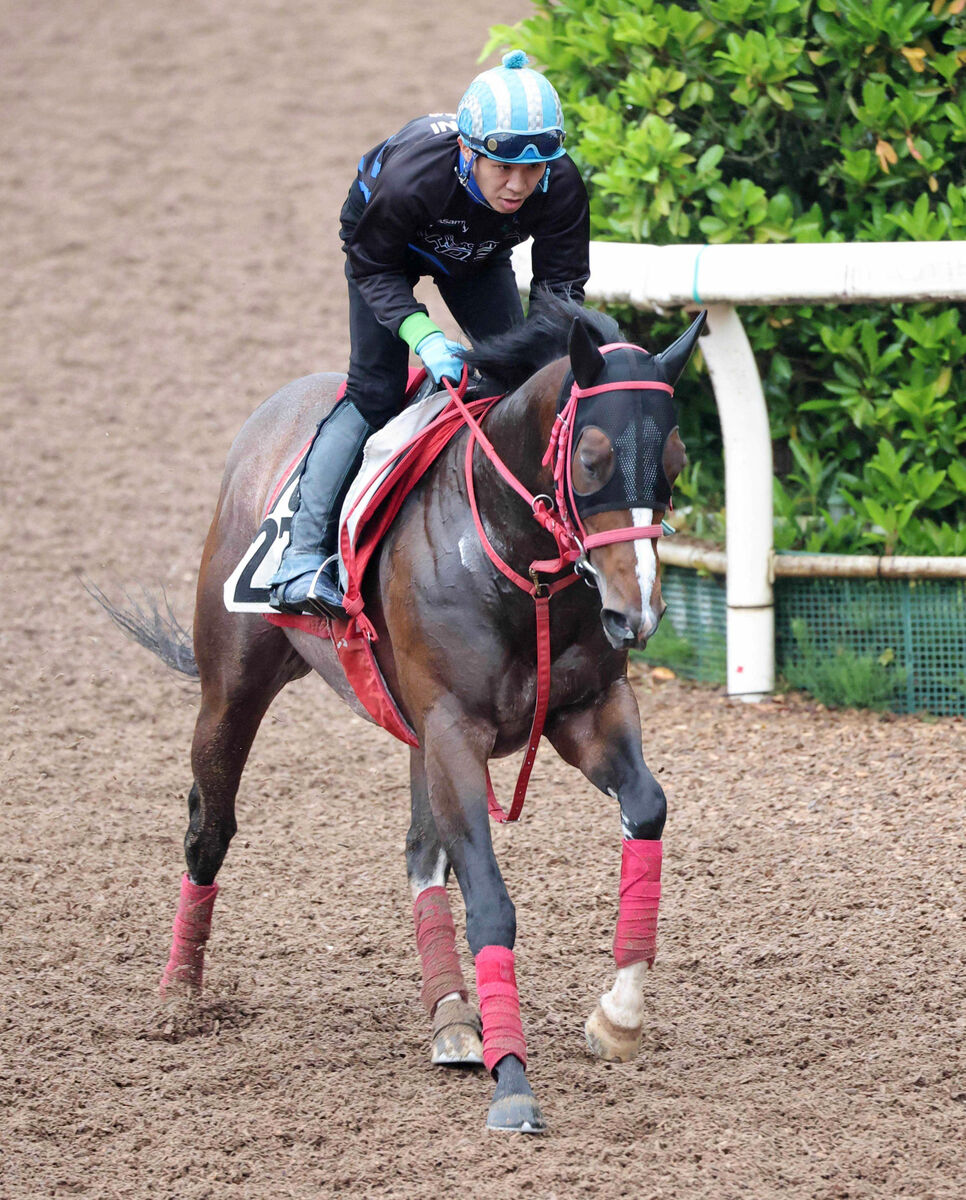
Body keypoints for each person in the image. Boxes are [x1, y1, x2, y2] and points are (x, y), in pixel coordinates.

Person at [269, 50, 591, 616]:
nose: (518, 186)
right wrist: (423, 335)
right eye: (502, 167)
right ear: (467, 151)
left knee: (519, 380)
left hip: (478, 256)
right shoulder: (410, 179)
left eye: (533, 169)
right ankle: (298, 557)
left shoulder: (559, 184)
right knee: (376, 390)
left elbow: (560, 292)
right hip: (386, 258)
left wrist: (542, 363)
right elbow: (371, 265)